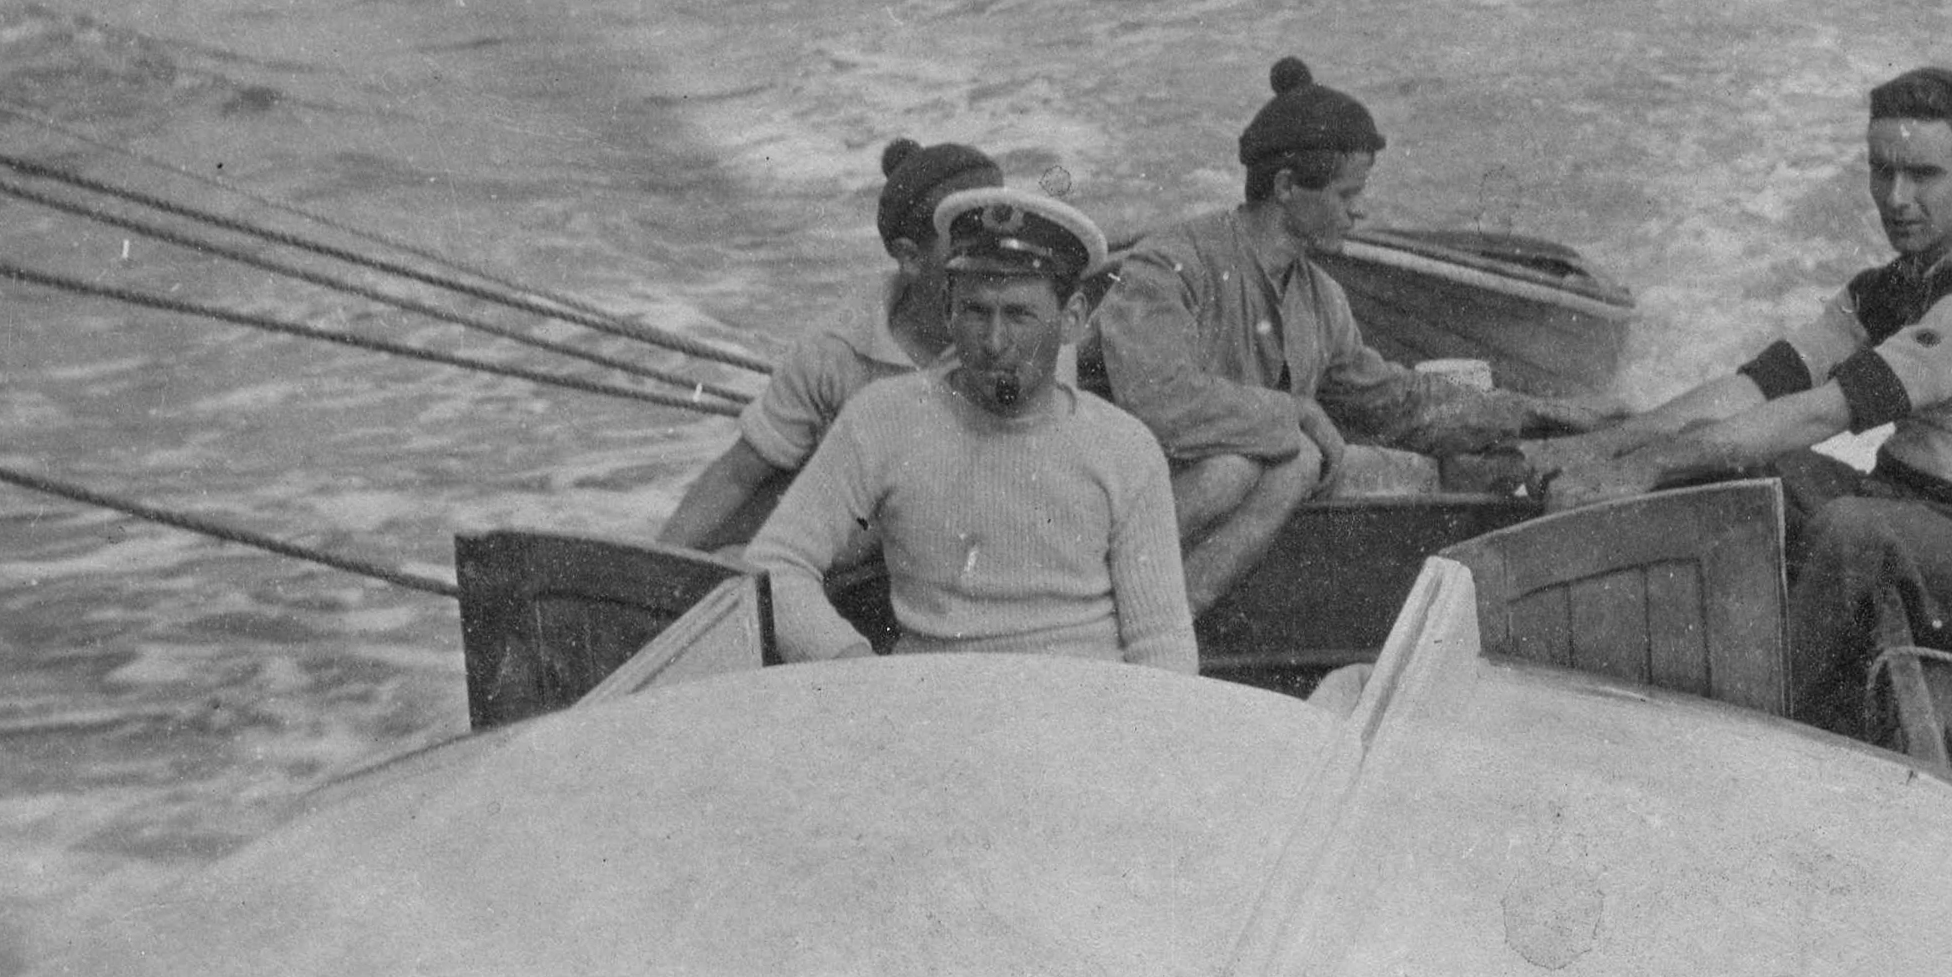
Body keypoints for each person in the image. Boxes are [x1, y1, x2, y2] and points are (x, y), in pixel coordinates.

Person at [1530, 68, 1952, 740]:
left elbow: (1824, 412)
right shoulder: (1901, 281)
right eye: (1881, 171)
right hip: (1908, 504)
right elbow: (1760, 385)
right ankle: (1670, 649)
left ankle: (1756, 722)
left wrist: (1645, 466)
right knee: (1736, 468)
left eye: (1922, 175)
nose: (1896, 198)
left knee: (1851, 534)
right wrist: (1608, 446)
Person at [1091, 57, 1612, 615]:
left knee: (1402, 474)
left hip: (1217, 517)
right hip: (1120, 507)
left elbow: (1397, 402)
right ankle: (1112, 615)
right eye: (1346, 195)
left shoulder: (1319, 297)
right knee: (1262, 462)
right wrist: (1296, 412)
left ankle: (1168, 622)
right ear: (1286, 186)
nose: (1359, 211)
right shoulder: (1171, 265)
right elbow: (1158, 399)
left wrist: (1532, 413)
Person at [748, 187, 1196, 671]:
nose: (995, 341)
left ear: (1072, 320)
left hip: (1083, 703)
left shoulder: (1126, 448)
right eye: (976, 312)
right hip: (933, 700)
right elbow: (773, 565)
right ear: (948, 309)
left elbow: (1162, 644)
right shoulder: (882, 418)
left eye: (1019, 315)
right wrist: (855, 667)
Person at [654, 138, 1000, 553]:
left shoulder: (1026, 334)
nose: (996, 258)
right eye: (969, 242)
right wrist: (656, 565)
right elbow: (739, 474)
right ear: (910, 258)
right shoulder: (835, 352)